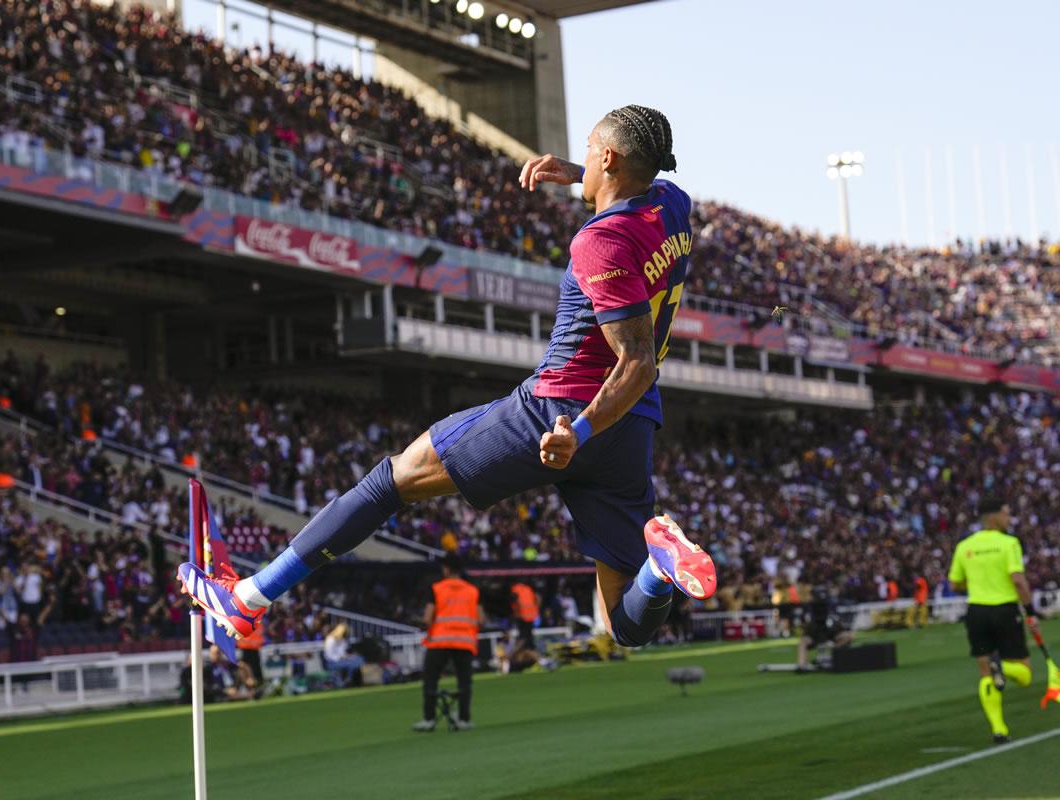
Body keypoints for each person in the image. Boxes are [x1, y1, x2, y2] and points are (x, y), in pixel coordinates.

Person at [178, 105, 717, 659]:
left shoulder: (599, 240)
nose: (581, 157)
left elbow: (636, 361)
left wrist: (577, 431)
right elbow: (635, 191)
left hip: (559, 410)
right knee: (627, 623)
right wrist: (580, 176)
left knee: (389, 483)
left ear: (609, 157)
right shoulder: (672, 206)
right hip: (631, 430)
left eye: (588, 150)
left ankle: (247, 598)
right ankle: (658, 570)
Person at [947, 496, 1036, 744]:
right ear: (994, 516)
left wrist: (976, 583)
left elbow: (954, 584)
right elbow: (1018, 580)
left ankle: (999, 729)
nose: (1009, 519)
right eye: (1007, 514)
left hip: (976, 611)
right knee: (1025, 674)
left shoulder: (965, 546)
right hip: (1005, 610)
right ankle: (1003, 667)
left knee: (985, 673)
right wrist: (1031, 612)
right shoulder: (1009, 544)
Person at [414, 555, 484, 732]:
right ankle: (464, 719)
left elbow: (427, 618)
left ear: (446, 569)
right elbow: (481, 618)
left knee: (430, 680)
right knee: (464, 682)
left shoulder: (437, 589)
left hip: (439, 641)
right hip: (465, 642)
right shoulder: (472, 590)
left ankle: (429, 719)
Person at [796, 586, 853, 669]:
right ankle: (801, 665)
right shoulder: (809, 608)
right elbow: (805, 625)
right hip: (815, 634)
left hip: (830, 634)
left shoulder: (831, 606)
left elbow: (837, 624)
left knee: (848, 636)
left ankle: (832, 658)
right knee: (803, 642)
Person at [510, 580, 540, 649]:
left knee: (522, 636)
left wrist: (515, 614)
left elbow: (515, 600)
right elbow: (537, 598)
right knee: (529, 636)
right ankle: (530, 650)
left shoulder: (515, 588)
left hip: (522, 616)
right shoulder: (528, 589)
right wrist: (536, 610)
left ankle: (515, 653)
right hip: (531, 616)